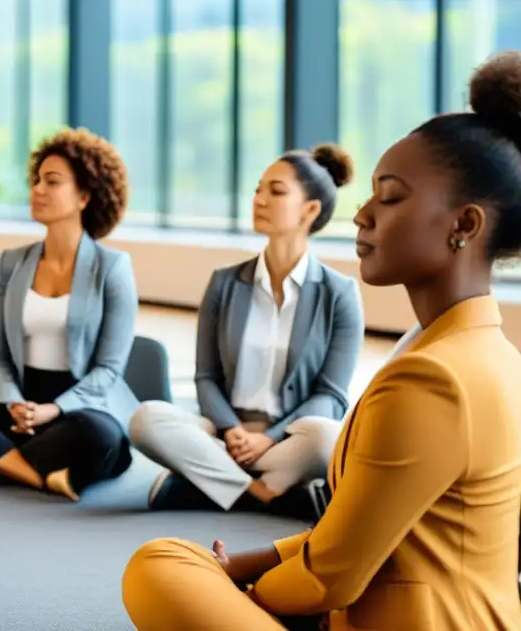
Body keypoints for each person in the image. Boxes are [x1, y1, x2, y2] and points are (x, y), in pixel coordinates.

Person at [120, 52, 521, 630]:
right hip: (427, 597)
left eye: (390, 196)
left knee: (158, 565)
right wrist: (242, 566)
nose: (361, 215)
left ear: (464, 225)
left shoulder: (431, 376)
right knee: (183, 549)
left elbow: (333, 574)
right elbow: (356, 539)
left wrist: (246, 597)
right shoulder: (481, 350)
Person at [128, 144, 363, 519]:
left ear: (311, 210)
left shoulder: (340, 294)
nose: (259, 199)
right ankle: (265, 494)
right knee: (147, 419)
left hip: (288, 443)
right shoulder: (224, 283)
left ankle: (203, 486)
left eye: (276, 191)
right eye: (258, 189)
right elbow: (206, 377)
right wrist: (231, 429)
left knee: (326, 439)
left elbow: (331, 396)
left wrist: (268, 438)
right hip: (222, 437)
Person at [0, 128, 137, 501]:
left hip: (78, 410)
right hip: (20, 411)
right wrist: (15, 402)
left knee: (102, 437)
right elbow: (0, 356)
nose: (37, 189)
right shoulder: (12, 263)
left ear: (84, 196)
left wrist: (54, 409)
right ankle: (34, 474)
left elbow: (109, 370)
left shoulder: (113, 267)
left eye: (52, 182)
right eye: (36, 180)